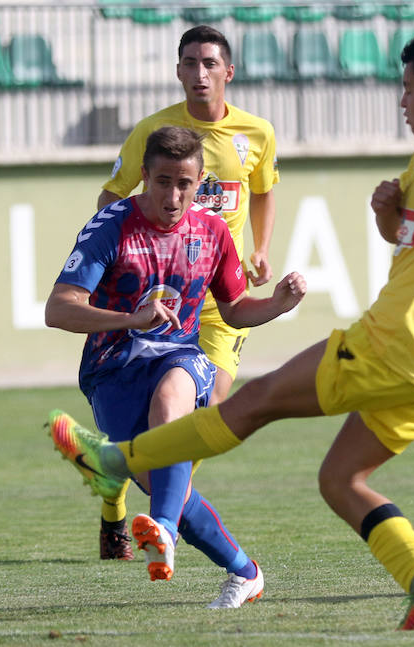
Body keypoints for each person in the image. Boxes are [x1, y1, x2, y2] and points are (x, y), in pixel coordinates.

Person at [48, 31, 414, 629]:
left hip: (398, 340)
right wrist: (389, 211)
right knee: (340, 479)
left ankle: (117, 462)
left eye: (409, 89)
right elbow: (406, 233)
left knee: (251, 402)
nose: (401, 101)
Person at [45, 126, 307, 607]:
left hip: (180, 355)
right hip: (112, 370)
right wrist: (130, 318)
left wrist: (277, 304)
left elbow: (232, 310)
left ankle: (159, 529)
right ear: (143, 176)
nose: (173, 195)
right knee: (170, 485)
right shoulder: (111, 226)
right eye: (163, 181)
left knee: (173, 398)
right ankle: (245, 572)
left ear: (200, 179)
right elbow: (58, 309)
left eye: (184, 183)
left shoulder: (211, 230)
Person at [94, 25, 280, 560]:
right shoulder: (153, 132)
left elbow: (264, 191)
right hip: (160, 300)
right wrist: (111, 261)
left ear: (229, 71)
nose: (200, 74)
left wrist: (261, 247)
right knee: (166, 422)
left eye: (209, 64)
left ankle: (157, 518)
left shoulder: (257, 134)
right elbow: (113, 193)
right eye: (190, 64)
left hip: (219, 297)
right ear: (178, 71)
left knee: (205, 410)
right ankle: (132, 507)